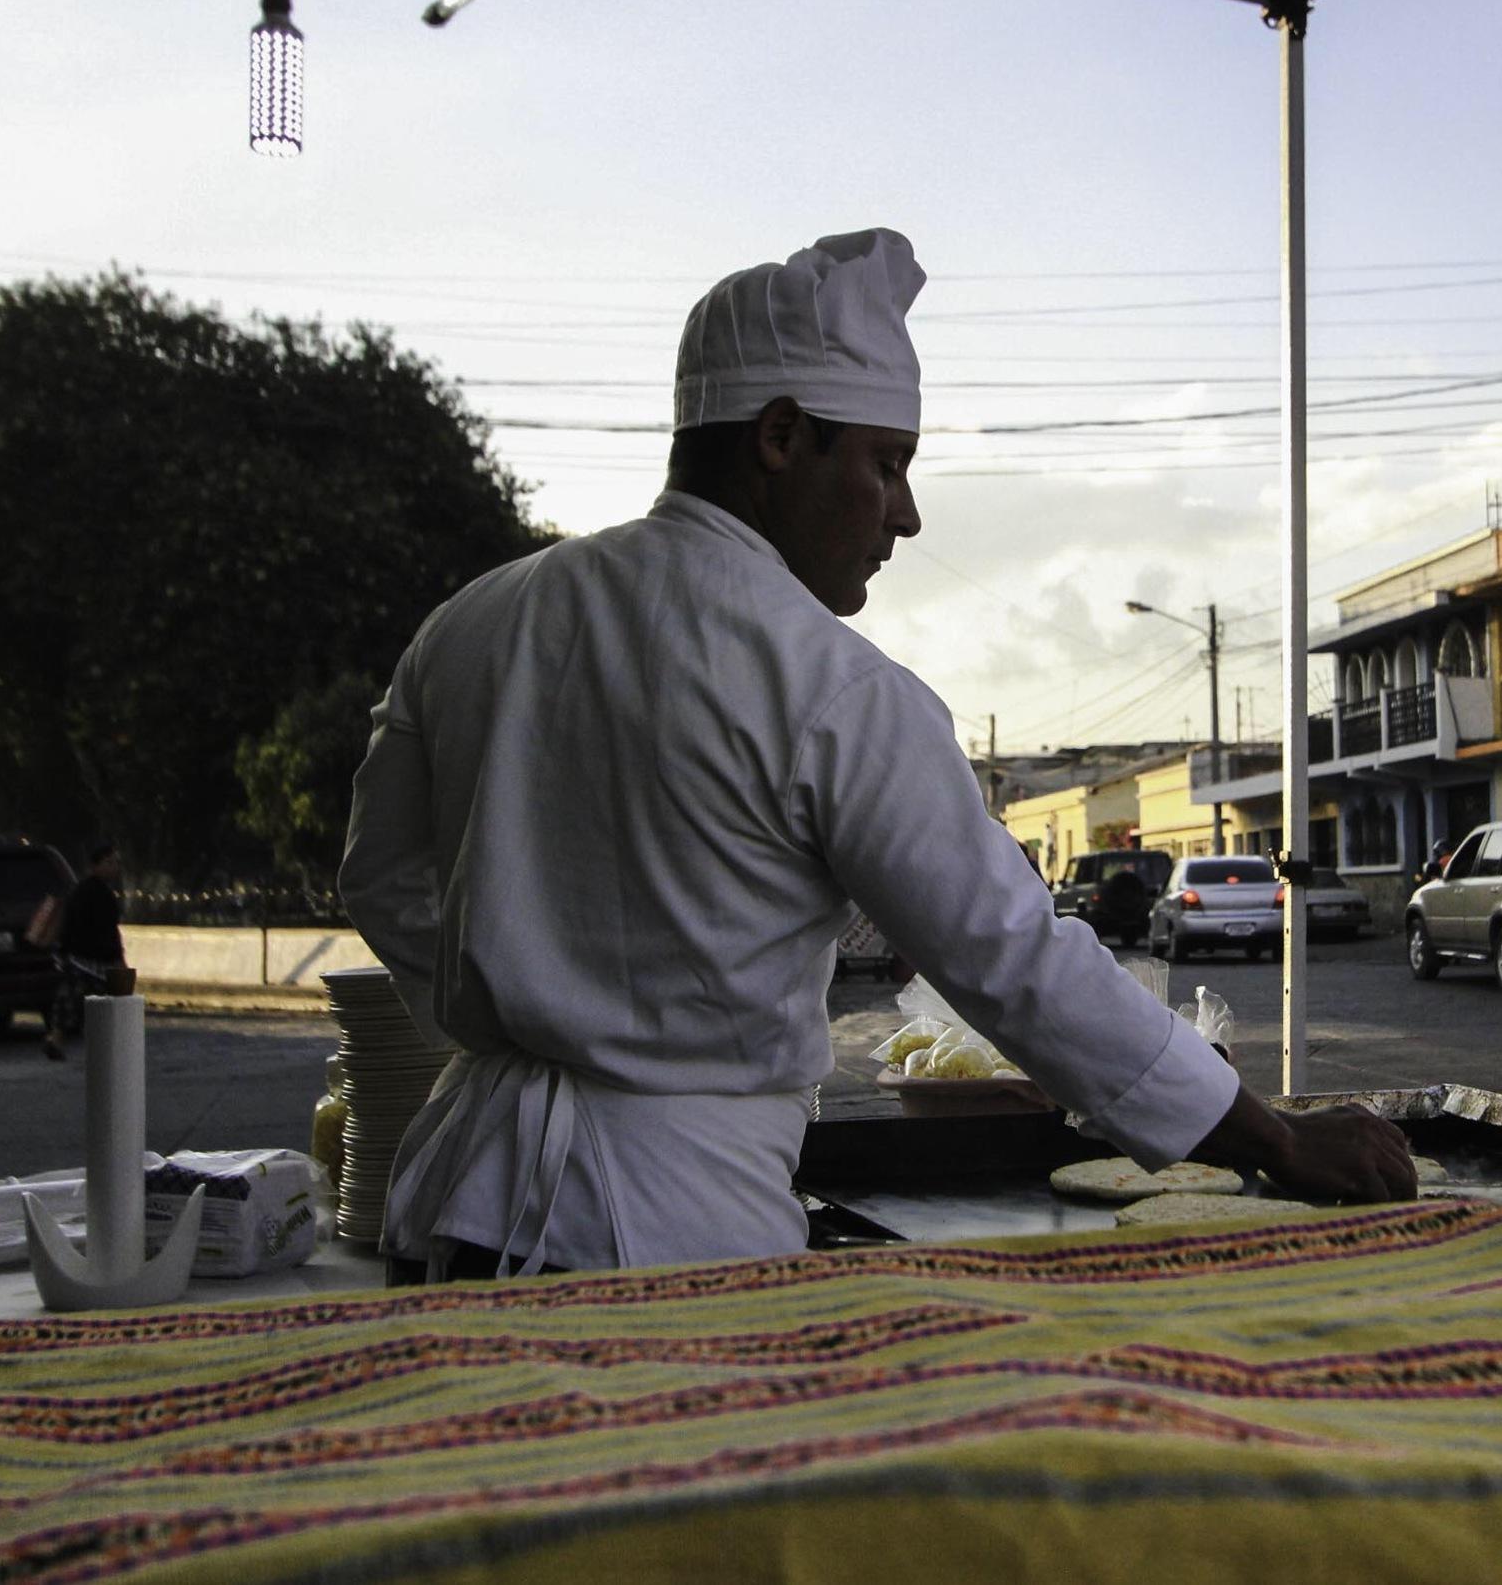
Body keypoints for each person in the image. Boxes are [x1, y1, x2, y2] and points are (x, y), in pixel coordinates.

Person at [341, 229, 1412, 1283]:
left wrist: (533, 1019)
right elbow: (1015, 960)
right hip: (674, 1239)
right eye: (885, 464)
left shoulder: (474, 622)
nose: (904, 515)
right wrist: (1273, 1138)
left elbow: (382, 881)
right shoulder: (832, 683)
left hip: (451, 1208)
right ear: (777, 436)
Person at [43, 841, 125, 1059]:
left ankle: (56, 1040)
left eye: (116, 862)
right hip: (93, 960)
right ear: (95, 866)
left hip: (77, 959)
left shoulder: (83, 891)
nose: (115, 867)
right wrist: (118, 959)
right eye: (109, 863)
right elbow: (108, 931)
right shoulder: (99, 895)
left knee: (71, 1004)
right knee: (102, 1006)